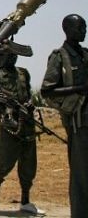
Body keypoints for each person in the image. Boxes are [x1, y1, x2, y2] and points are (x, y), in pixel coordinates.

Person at [41, 14, 88, 218]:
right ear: (67, 30)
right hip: (79, 124)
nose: (84, 31)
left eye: (85, 27)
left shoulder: (85, 54)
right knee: (81, 178)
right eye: (80, 28)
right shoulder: (59, 56)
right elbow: (47, 90)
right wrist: (80, 89)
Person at [0, 54, 42, 215]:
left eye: (15, 54)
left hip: (26, 122)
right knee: (3, 164)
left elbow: (27, 94)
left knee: (28, 165)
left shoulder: (23, 73)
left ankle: (25, 201)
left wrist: (28, 104)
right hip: (9, 125)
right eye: (9, 53)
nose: (12, 57)